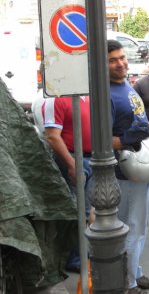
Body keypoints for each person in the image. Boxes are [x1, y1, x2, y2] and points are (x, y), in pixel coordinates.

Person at [107, 39, 149, 293]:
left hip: (140, 166)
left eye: (122, 57)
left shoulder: (126, 85)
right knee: (132, 227)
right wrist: (128, 140)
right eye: (113, 60)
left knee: (141, 225)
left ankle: (135, 272)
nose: (120, 63)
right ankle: (128, 283)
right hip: (125, 172)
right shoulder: (107, 94)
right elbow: (102, 140)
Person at [42, 95, 93, 272]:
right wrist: (72, 164)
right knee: (74, 212)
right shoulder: (55, 99)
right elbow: (52, 137)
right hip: (72, 158)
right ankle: (72, 258)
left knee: (84, 211)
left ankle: (78, 255)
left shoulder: (87, 94)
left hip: (90, 159)